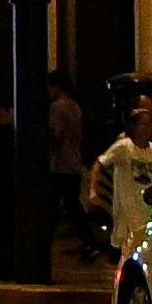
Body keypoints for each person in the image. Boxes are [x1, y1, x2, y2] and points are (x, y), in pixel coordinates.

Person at [89, 96, 152, 257]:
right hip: (126, 210)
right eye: (143, 124)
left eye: (149, 124)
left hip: (145, 210)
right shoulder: (123, 147)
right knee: (125, 250)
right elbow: (99, 163)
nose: (147, 129)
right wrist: (93, 190)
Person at [45, 73, 87, 259]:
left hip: (60, 163)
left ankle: (46, 243)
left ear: (56, 87)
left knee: (55, 206)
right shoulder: (75, 106)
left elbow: (57, 134)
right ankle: (88, 241)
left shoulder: (56, 107)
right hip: (74, 161)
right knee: (72, 204)